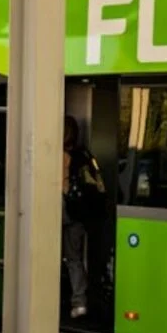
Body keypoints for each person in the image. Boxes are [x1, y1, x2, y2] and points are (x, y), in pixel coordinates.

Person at [62, 116, 104, 320]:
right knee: (74, 259)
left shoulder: (56, 155)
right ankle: (80, 302)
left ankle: (49, 298)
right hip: (79, 213)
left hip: (59, 209)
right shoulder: (84, 154)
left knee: (47, 257)